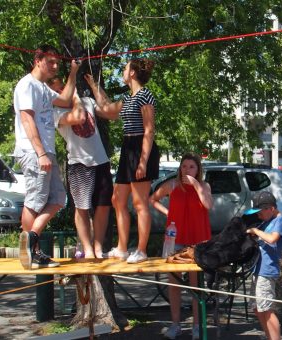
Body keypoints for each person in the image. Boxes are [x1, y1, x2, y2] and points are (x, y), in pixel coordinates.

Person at [84, 58, 160, 264]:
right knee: (117, 199)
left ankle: (142, 250)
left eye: (125, 68)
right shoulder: (128, 98)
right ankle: (122, 248)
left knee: (139, 202)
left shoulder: (145, 95)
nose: (123, 72)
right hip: (128, 149)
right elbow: (108, 109)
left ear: (133, 73)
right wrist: (94, 86)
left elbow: (149, 129)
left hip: (141, 148)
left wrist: (143, 161)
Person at [14, 45, 80, 269]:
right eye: (50, 62)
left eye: (56, 63)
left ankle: (31, 239)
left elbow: (65, 100)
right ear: (38, 60)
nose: (54, 67)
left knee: (58, 198)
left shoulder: (43, 88)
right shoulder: (27, 85)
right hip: (34, 151)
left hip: (46, 151)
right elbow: (27, 120)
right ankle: (30, 252)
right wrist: (40, 152)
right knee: (36, 199)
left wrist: (73, 72)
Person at [48, 77, 113, 259]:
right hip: (79, 163)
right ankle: (88, 248)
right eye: (59, 90)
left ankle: (98, 247)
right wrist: (75, 97)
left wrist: (94, 86)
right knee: (82, 207)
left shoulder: (87, 102)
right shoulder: (55, 112)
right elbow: (79, 117)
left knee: (103, 206)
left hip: (100, 160)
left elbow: (110, 112)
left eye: (65, 86)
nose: (64, 91)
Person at [150, 153, 212, 340]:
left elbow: (208, 205)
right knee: (174, 283)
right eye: (184, 166)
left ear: (198, 169)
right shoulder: (172, 185)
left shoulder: (204, 186)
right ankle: (175, 324)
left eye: (191, 166)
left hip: (197, 240)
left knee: (195, 285)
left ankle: (195, 326)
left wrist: (196, 186)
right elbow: (152, 199)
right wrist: (169, 213)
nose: (187, 170)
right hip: (175, 239)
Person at [244, 191, 282, 340]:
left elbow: (272, 239)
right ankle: (269, 336)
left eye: (260, 212)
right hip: (258, 269)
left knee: (267, 309)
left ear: (270, 208)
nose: (258, 215)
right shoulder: (267, 221)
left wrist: (256, 231)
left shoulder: (280, 221)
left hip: (267, 270)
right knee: (257, 308)